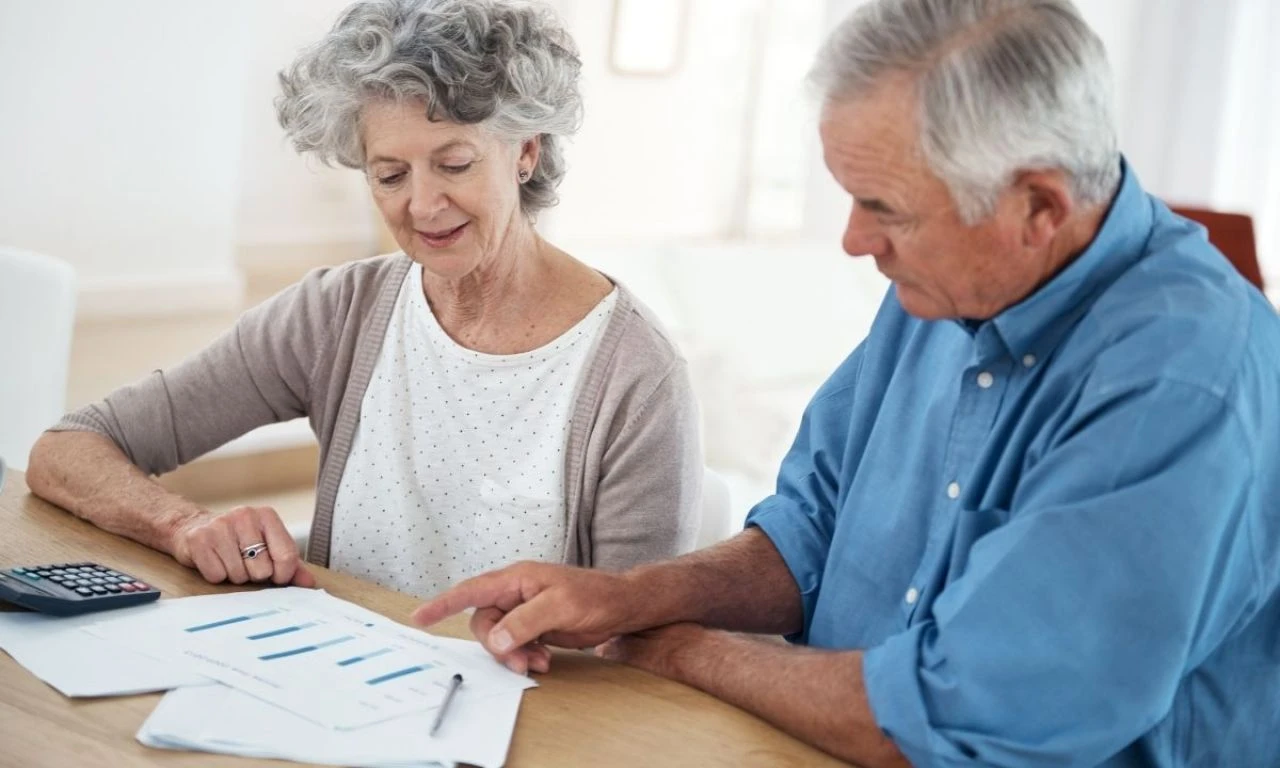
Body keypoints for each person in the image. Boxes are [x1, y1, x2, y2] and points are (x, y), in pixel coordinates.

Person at [411, 0, 1280, 765]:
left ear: (1039, 208)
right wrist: (627, 597)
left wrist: (674, 646)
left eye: (886, 209)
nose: (854, 242)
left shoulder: (1182, 381)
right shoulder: (946, 287)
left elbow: (953, 722)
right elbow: (809, 534)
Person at [25, 0, 702, 604]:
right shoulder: (336, 314)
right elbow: (69, 449)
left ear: (526, 152)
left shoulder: (634, 372)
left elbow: (642, 642)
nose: (423, 205)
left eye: (455, 163)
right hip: (341, 697)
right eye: (390, 174)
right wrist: (186, 525)